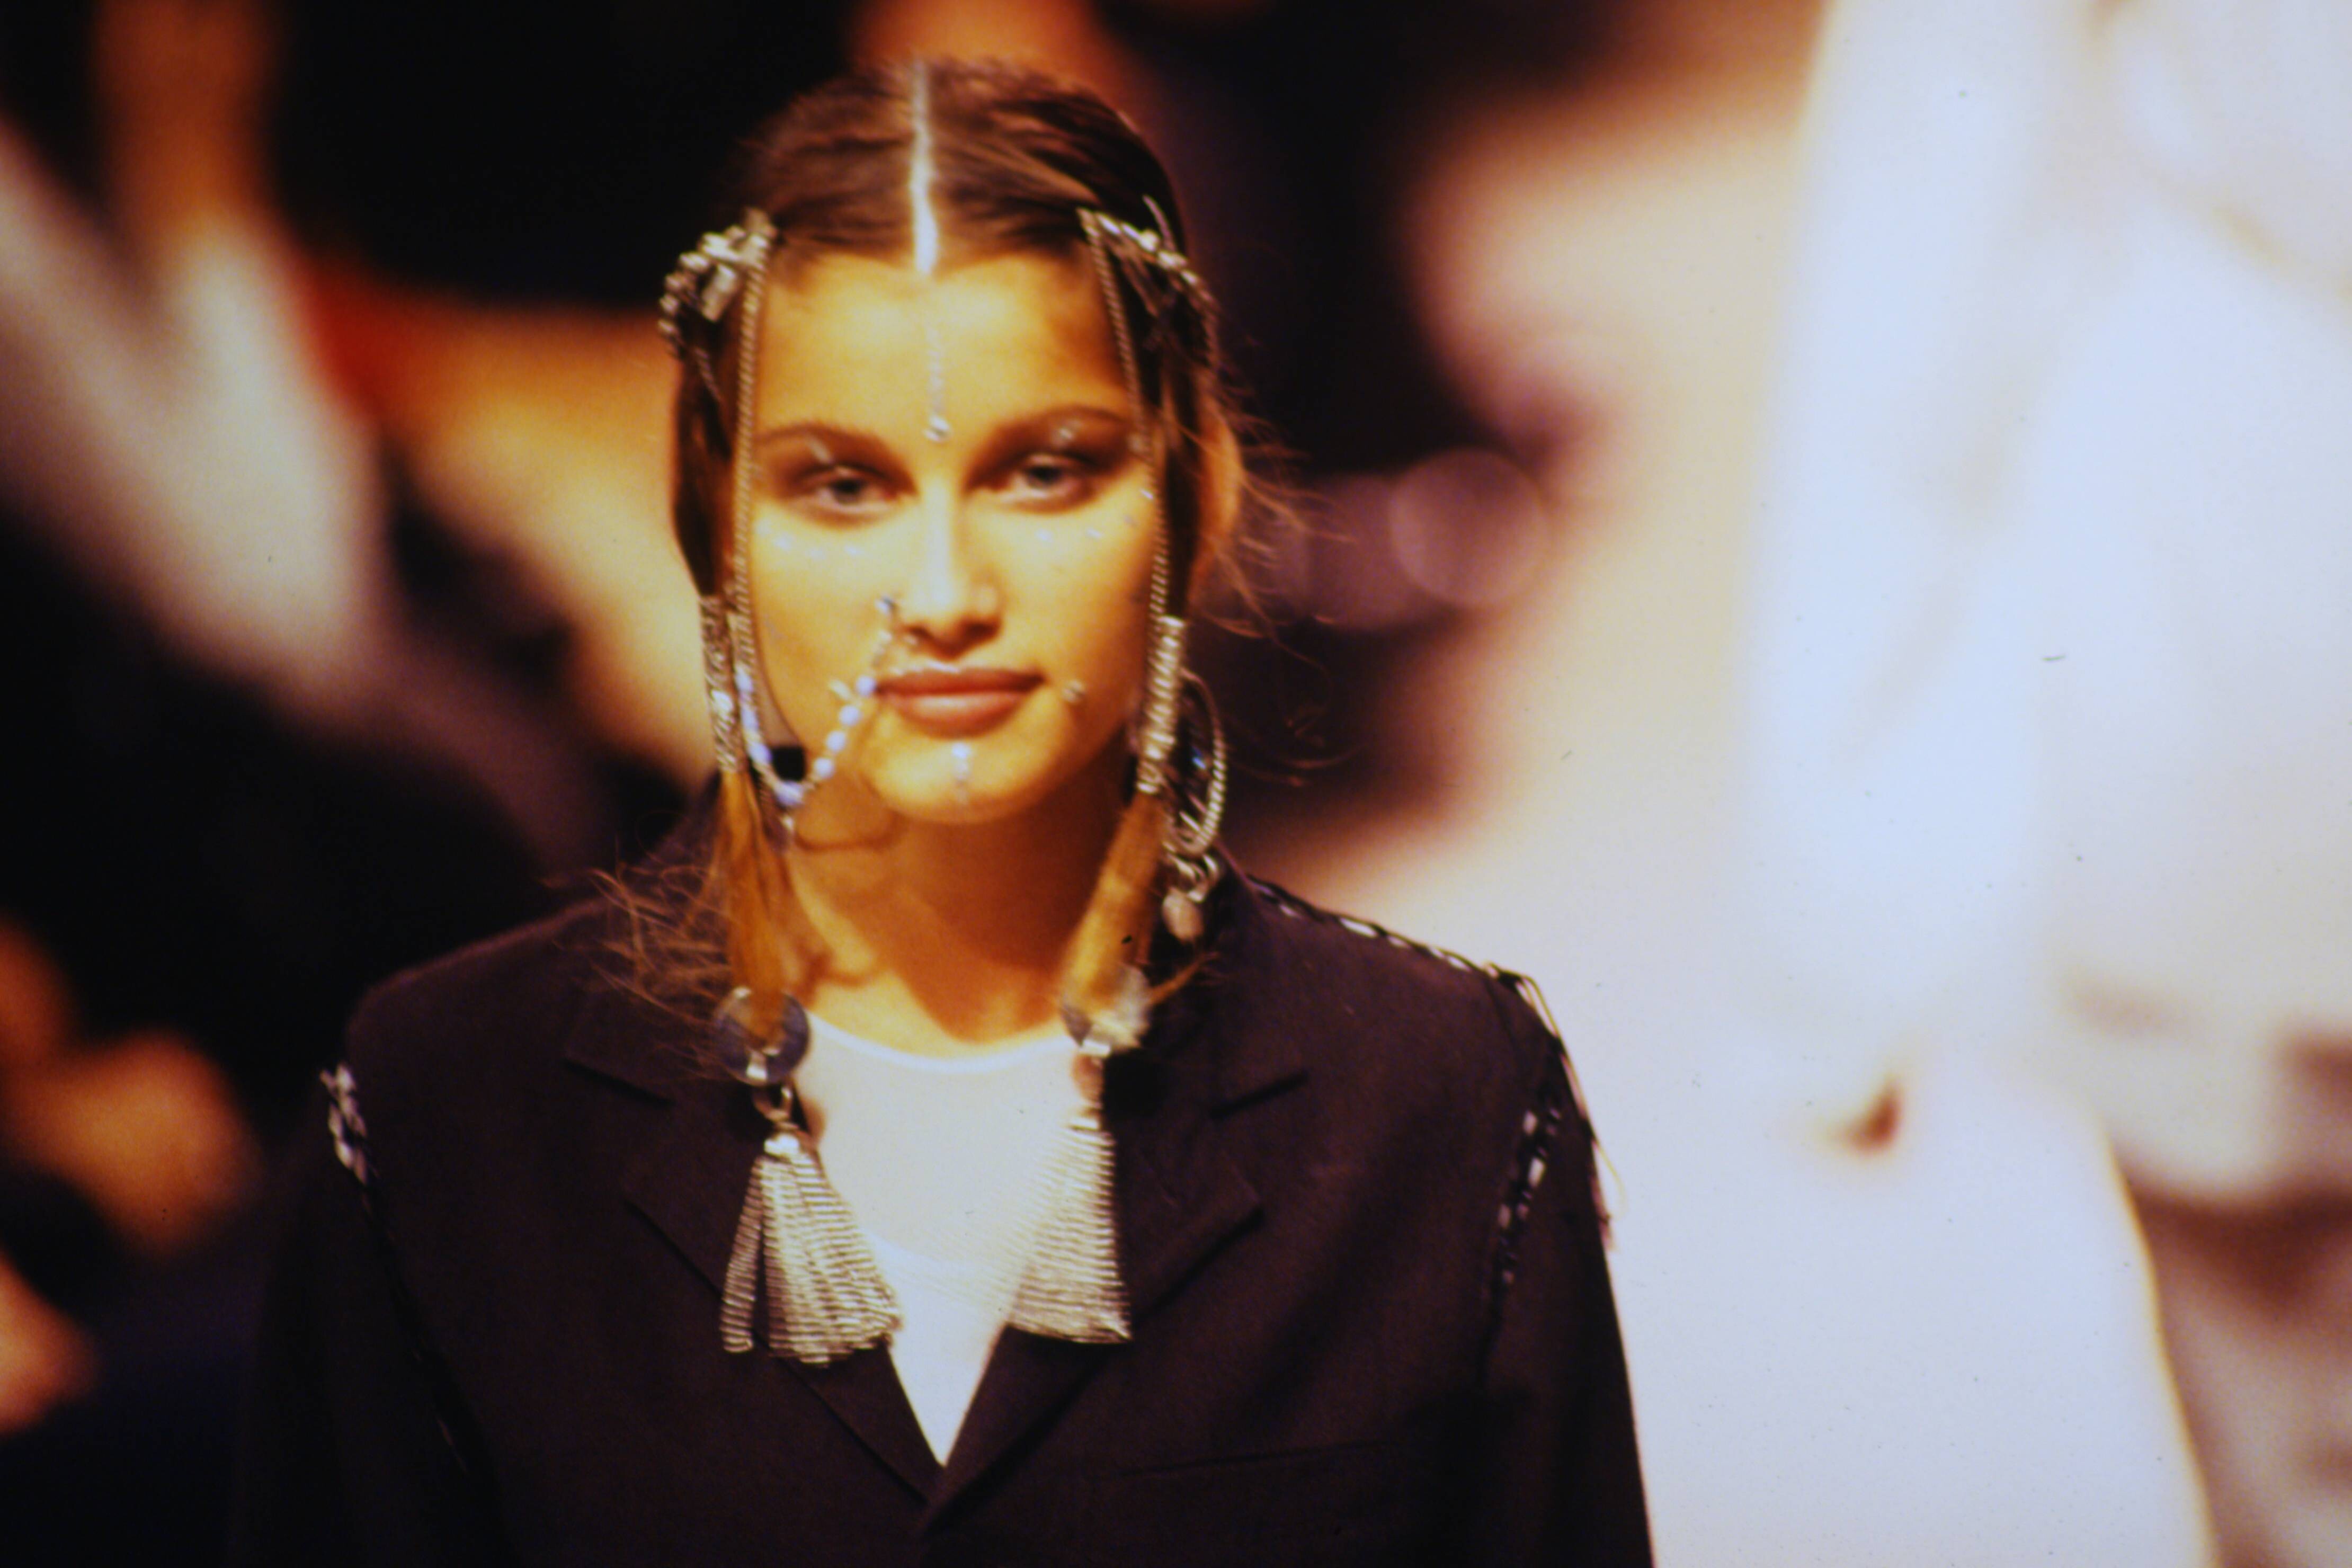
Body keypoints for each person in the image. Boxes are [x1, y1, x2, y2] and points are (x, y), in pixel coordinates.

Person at [230, 59, 1648, 1565]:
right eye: (844, 487)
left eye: (1045, 472)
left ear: (1197, 490)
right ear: (711, 519)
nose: (945, 595)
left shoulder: (1438, 1106)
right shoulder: (447, 1120)